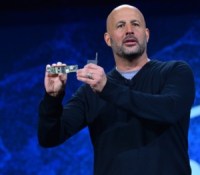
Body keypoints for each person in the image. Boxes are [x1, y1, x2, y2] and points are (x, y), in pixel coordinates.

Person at [38, 4, 195, 175]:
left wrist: (108, 88)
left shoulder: (175, 72)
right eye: (120, 26)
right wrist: (52, 98)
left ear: (147, 34)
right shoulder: (91, 92)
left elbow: (168, 110)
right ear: (108, 39)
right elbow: (49, 137)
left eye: (135, 24)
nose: (129, 30)